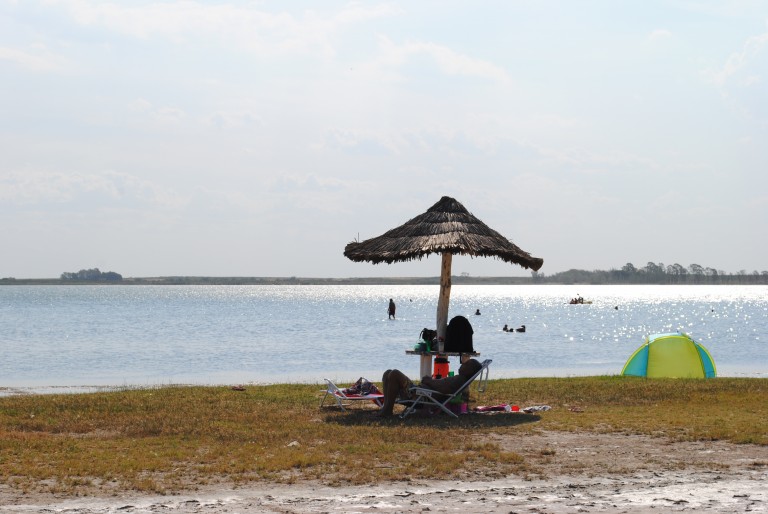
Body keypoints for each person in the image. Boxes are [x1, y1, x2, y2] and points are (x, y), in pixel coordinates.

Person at [377, 358, 483, 417]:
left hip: (422, 396)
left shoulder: (459, 380)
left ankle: (387, 410)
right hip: (422, 392)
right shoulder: (459, 378)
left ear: (469, 371)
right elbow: (443, 387)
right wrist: (431, 381)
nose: (462, 364)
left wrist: (430, 381)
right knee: (388, 373)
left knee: (394, 373)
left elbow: (445, 390)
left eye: (466, 364)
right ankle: (386, 408)